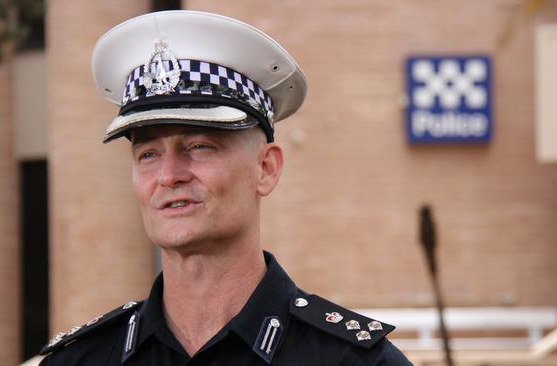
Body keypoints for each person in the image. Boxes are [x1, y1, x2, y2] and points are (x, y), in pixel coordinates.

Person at [39, 10, 412, 365]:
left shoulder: (354, 361)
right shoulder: (80, 359)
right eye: (148, 153)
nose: (169, 175)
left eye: (199, 146)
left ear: (266, 168)